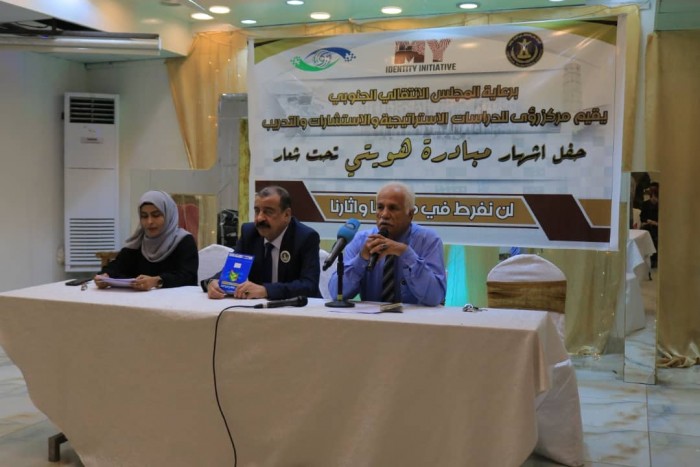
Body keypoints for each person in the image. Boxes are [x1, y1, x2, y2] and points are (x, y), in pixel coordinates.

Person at [328, 182, 446, 306]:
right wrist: (361, 259)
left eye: (393, 208)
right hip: (371, 317)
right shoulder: (361, 241)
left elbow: (435, 297)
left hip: (415, 318)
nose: (384, 215)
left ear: (410, 214)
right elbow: (336, 294)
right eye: (380, 207)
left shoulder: (427, 240)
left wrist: (405, 253)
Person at [203, 185, 321, 300]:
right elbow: (231, 271)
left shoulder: (305, 237)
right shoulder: (250, 233)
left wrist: (266, 290)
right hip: (258, 308)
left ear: (286, 215)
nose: (259, 218)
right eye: (257, 211)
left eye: (268, 212)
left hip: (299, 308)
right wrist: (212, 283)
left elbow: (309, 286)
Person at [94, 191, 198, 290]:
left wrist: (157, 281)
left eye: (156, 215)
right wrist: (105, 276)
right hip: (137, 299)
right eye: (144, 216)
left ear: (168, 215)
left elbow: (188, 276)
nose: (149, 221)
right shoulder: (138, 241)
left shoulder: (184, 241)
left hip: (173, 300)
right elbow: (117, 266)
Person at [640, 182, 659, 268]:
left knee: (653, 232)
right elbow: (643, 217)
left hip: (657, 226)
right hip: (648, 225)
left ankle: (654, 259)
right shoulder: (645, 204)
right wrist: (648, 221)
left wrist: (655, 223)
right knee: (648, 230)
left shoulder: (662, 205)